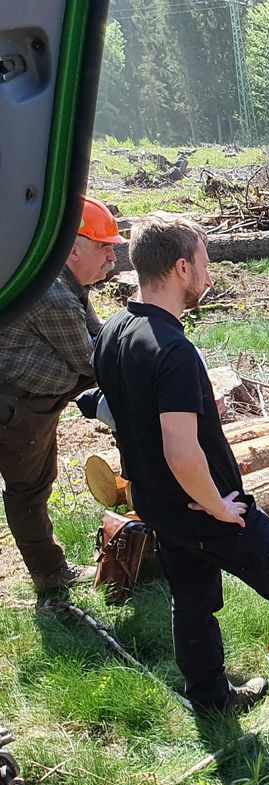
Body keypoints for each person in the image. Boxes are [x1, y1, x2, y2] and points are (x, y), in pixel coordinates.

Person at [93, 215, 269, 714]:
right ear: (180, 267)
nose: (208, 275)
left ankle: (210, 699)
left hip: (155, 503)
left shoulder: (115, 329)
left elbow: (120, 413)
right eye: (203, 263)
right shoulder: (172, 350)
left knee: (192, 601)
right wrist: (216, 505)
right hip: (203, 509)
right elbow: (181, 450)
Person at [0, 195, 122, 595]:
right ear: (73, 250)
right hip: (18, 408)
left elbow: (99, 336)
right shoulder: (53, 295)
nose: (111, 256)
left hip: (34, 404)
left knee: (33, 486)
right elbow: (92, 361)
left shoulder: (66, 282)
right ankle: (51, 577)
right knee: (29, 492)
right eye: (103, 247)